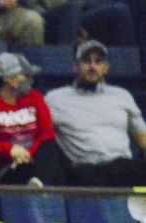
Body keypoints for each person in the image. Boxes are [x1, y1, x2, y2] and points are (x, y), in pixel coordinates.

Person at [44, 40, 146, 187]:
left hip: (123, 168)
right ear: (76, 67)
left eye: (98, 62)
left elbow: (142, 137)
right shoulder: (55, 99)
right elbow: (42, 137)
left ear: (106, 68)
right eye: (86, 61)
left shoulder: (122, 95)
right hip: (85, 171)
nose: (92, 67)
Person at [0, 52, 62, 186]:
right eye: (25, 76)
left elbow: (47, 134)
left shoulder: (35, 98)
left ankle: (39, 184)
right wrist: (9, 149)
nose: (30, 80)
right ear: (11, 80)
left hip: (34, 160)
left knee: (51, 147)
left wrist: (27, 154)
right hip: (7, 167)